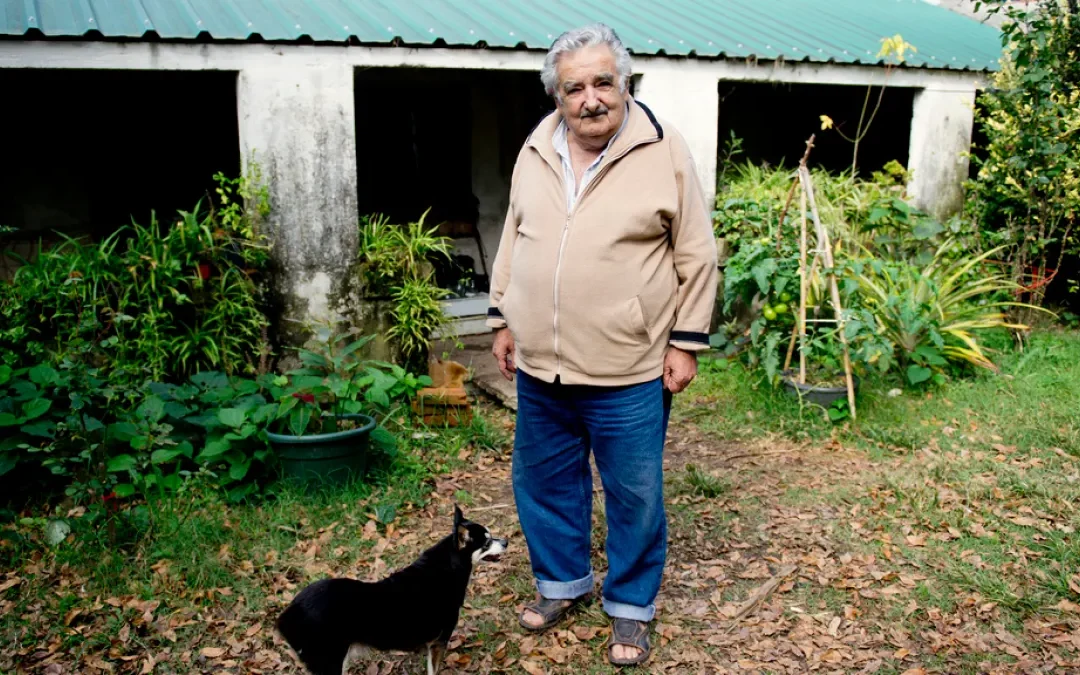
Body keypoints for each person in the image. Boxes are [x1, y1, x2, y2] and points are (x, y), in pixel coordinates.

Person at [485, 23, 718, 667]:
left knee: (634, 492)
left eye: (602, 83)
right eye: (574, 88)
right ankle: (562, 584)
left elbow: (696, 253)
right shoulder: (535, 147)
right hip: (541, 364)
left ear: (625, 83)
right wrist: (503, 316)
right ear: (558, 97)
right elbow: (514, 236)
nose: (590, 98)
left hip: (629, 364)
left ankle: (631, 608)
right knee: (544, 480)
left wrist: (686, 339)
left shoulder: (663, 147)